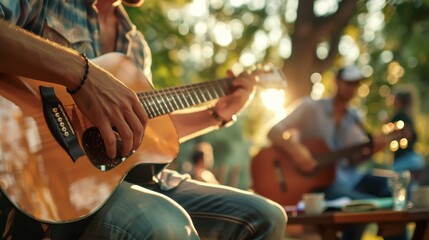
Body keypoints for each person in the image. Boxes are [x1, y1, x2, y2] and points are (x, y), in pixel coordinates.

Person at [0, 1, 287, 239]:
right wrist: (82, 75)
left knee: (267, 216)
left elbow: (149, 134)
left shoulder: (136, 46)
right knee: (166, 225)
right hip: (36, 171)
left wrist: (216, 115)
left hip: (120, 179)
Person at [267, 65, 406, 240]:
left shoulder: (355, 118)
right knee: (363, 206)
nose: (352, 89)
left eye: (356, 84)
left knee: (393, 189)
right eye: (348, 83)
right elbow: (273, 131)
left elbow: (355, 159)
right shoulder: (310, 107)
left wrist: (372, 150)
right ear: (336, 82)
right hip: (321, 184)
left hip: (350, 179)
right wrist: (297, 150)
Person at [389, 87, 425, 173]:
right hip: (415, 159)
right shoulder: (409, 118)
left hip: (402, 162)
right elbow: (415, 137)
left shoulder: (398, 117)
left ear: (400, 102)